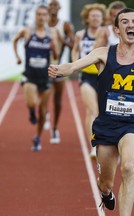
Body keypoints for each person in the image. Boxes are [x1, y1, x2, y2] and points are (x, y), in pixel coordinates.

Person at [48, 8, 134, 215]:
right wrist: (60, 69)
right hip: (106, 125)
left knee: (128, 167)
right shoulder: (103, 53)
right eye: (125, 22)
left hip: (133, 125)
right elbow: (75, 66)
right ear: (117, 29)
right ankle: (105, 192)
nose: (130, 25)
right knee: (105, 183)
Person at [13, 5, 58, 151]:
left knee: (43, 110)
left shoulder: (51, 33)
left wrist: (53, 48)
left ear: (47, 17)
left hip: (45, 77)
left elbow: (56, 55)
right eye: (39, 14)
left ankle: (38, 137)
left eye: (44, 14)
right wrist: (18, 57)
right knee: (31, 102)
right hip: (30, 75)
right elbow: (15, 41)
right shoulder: (27, 31)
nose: (41, 17)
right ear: (35, 16)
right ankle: (31, 111)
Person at [71, 3, 106, 159]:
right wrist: (75, 65)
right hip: (87, 76)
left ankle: (107, 142)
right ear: (87, 18)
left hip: (105, 76)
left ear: (102, 18)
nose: (95, 18)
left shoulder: (106, 34)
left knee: (104, 113)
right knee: (92, 111)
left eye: (98, 15)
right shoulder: (80, 34)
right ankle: (94, 145)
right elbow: (75, 51)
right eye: (93, 15)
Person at [47, 0, 75, 144]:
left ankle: (55, 128)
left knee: (57, 100)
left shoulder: (64, 25)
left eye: (55, 5)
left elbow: (73, 44)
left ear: (59, 8)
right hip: (43, 68)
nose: (53, 7)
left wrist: (62, 40)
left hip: (58, 67)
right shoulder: (41, 24)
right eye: (50, 5)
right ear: (47, 8)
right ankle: (45, 112)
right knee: (41, 97)